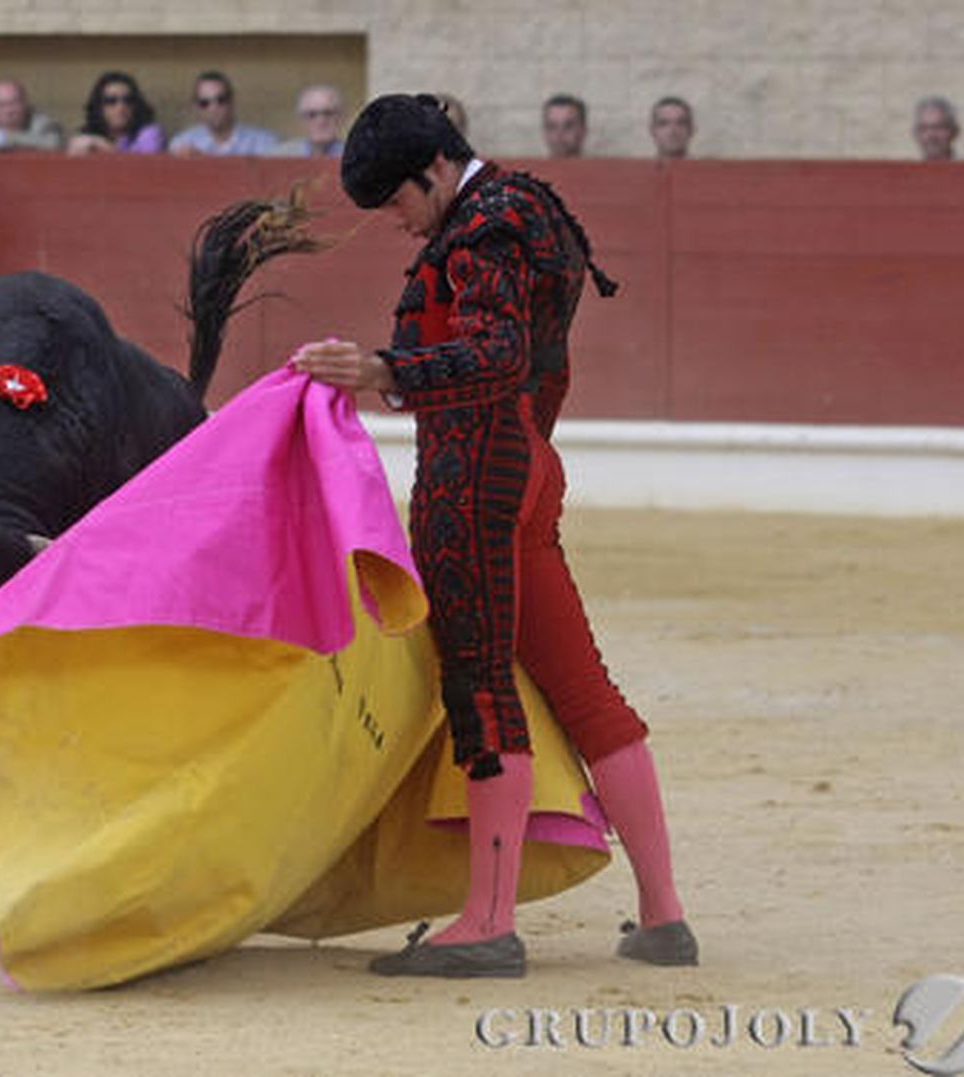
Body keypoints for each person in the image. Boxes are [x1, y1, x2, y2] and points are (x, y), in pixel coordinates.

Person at [291, 93, 694, 979]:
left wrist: (383, 369)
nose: (398, 224)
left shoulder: (482, 230)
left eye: (398, 202)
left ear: (435, 168)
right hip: (528, 467)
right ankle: (663, 916)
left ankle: (487, 920)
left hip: (476, 474)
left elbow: (498, 350)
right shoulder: (529, 206)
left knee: (479, 688)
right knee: (586, 693)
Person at [168, 70, 278, 157]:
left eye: (221, 100)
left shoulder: (263, 142)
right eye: (204, 103)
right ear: (196, 107)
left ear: (232, 101)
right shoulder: (182, 143)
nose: (213, 108)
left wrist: (202, 159)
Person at [66, 71, 164, 155]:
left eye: (128, 100)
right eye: (111, 101)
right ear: (99, 107)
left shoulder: (149, 133)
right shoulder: (89, 136)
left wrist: (102, 146)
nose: (121, 107)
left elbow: (144, 165)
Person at [271, 84, 346, 158]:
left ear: (340, 118)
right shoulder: (280, 156)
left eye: (328, 113)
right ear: (301, 121)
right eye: (312, 115)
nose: (321, 121)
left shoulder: (354, 155)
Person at [912, 96, 960, 161]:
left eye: (938, 128)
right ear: (916, 134)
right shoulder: (907, 170)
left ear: (954, 132)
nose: (931, 135)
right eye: (924, 129)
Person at [542, 93, 587, 158]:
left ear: (583, 131)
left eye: (568, 126)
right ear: (545, 132)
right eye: (552, 127)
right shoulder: (529, 167)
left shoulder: (598, 168)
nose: (559, 134)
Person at [649, 95, 694, 159]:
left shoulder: (706, 168)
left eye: (680, 123)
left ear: (691, 129)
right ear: (652, 130)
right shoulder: (638, 169)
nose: (672, 131)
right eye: (663, 123)